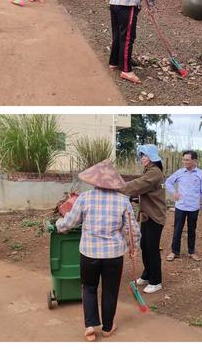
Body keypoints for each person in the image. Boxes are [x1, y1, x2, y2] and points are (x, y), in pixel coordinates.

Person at [56, 160, 140, 341]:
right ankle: (108, 328)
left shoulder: (84, 198)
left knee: (89, 288)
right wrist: (134, 248)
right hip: (114, 255)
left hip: (89, 253)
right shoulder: (123, 201)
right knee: (110, 290)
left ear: (94, 181)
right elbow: (131, 230)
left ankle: (90, 327)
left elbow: (70, 222)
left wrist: (58, 225)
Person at [109, 0, 160, 84]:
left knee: (117, 34)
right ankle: (126, 70)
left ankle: (114, 62)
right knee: (127, 37)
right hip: (128, 4)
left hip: (114, 3)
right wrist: (152, 7)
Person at [120, 144, 166, 294]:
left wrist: (118, 186)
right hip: (147, 215)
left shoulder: (154, 172)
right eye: (141, 156)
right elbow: (144, 191)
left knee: (152, 248)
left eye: (144, 155)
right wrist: (135, 197)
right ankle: (147, 275)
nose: (142, 158)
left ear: (152, 157)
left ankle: (156, 280)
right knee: (145, 246)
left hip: (154, 216)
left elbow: (139, 185)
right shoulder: (149, 171)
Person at [165, 150, 202, 262]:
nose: (185, 162)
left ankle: (191, 252)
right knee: (177, 230)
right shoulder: (179, 172)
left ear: (194, 160)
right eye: (184, 159)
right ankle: (174, 251)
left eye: (187, 160)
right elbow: (168, 182)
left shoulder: (201, 174)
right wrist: (174, 192)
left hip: (193, 207)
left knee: (191, 230)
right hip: (180, 206)